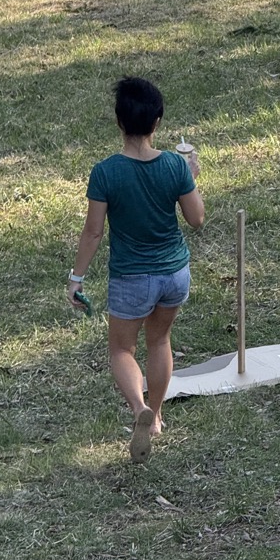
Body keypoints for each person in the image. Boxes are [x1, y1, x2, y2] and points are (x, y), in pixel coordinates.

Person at [66, 77, 205, 462]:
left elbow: (93, 232)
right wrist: (191, 178)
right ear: (157, 123)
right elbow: (197, 219)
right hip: (174, 274)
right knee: (159, 341)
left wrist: (76, 278)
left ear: (119, 122)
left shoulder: (106, 172)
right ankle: (157, 415)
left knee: (121, 349)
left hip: (132, 278)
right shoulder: (175, 166)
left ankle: (138, 409)